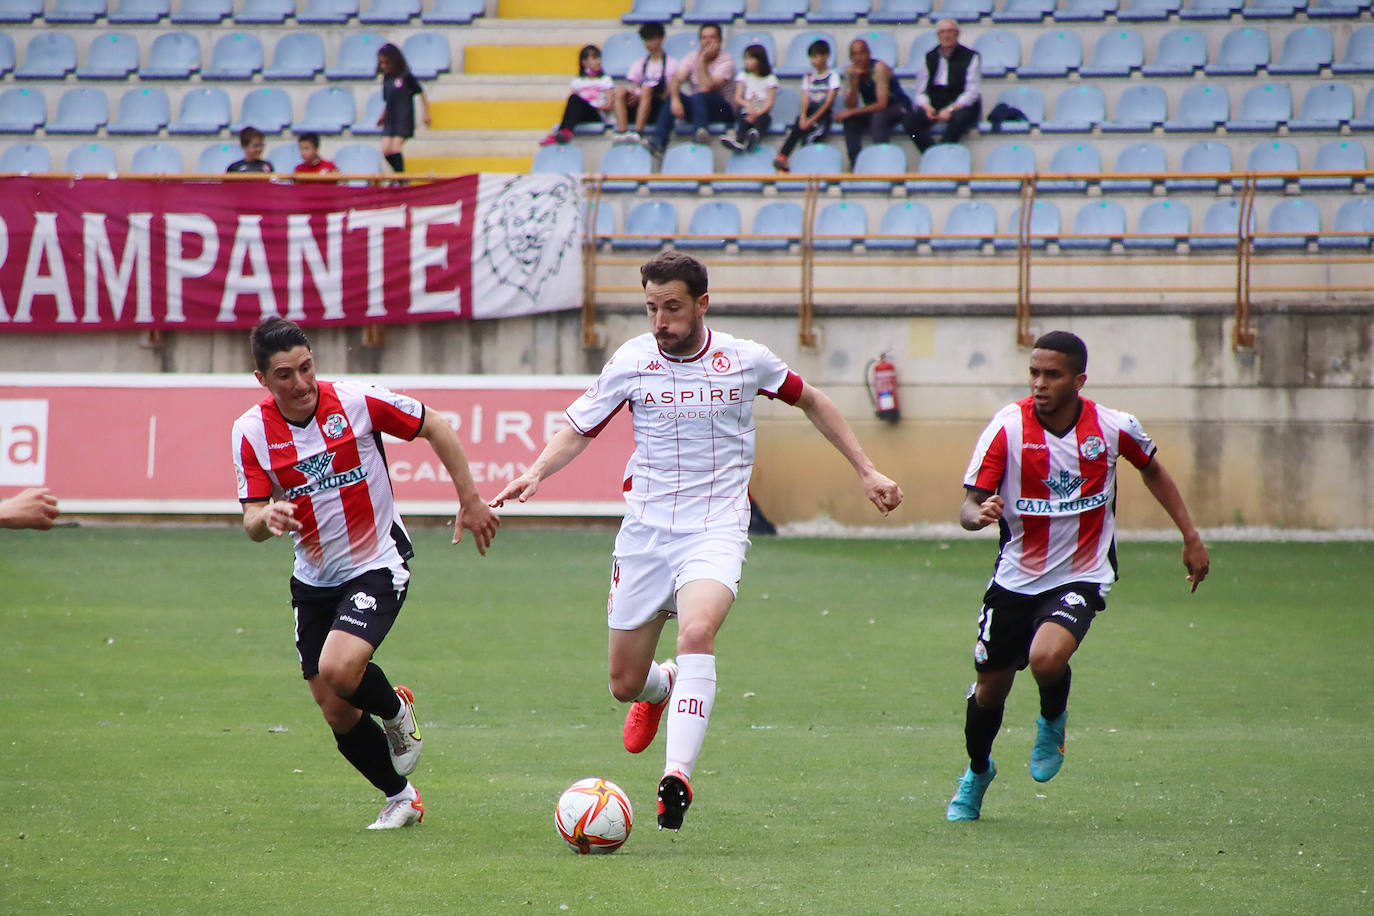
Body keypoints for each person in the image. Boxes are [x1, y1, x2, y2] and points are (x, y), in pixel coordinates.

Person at [490, 252, 904, 832]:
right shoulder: (632, 361)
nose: (660, 320)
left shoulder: (745, 359)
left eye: (673, 307)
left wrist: (866, 469)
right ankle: (661, 691)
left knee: (698, 630)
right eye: (652, 308)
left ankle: (676, 776)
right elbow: (578, 429)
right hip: (645, 534)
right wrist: (536, 471)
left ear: (702, 304)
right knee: (623, 683)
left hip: (715, 528)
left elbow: (812, 399)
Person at [231, 317, 499, 830]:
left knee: (339, 668)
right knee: (334, 706)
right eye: (285, 375)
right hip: (313, 579)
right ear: (262, 379)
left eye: (307, 367)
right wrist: (267, 518)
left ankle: (397, 710)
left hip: (377, 561)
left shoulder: (356, 401)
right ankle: (401, 798)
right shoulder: (250, 431)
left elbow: (435, 425)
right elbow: (250, 519)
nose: (302, 383)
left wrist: (470, 499)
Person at [947, 331, 1210, 822]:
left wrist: (1190, 535)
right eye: (1034, 373)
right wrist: (977, 514)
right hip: (1015, 579)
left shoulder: (1112, 427)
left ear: (1078, 380)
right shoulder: (1007, 427)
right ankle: (978, 771)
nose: (1040, 383)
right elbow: (967, 505)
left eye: (1052, 374)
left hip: (1081, 574)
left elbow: (1153, 469)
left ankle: (1051, 720)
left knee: (1046, 658)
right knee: (989, 692)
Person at [649, 22, 735, 155]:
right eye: (704, 38)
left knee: (699, 96)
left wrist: (702, 62)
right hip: (698, 108)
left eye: (712, 37)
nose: (708, 42)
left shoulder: (726, 61)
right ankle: (658, 142)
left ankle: (700, 133)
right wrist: (675, 100)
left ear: (720, 40)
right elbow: (676, 79)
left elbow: (706, 88)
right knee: (673, 96)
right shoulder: (691, 57)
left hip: (722, 109)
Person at [905, 19, 982, 153]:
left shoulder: (971, 56)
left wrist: (951, 109)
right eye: (942, 32)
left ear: (957, 34)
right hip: (935, 102)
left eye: (950, 32)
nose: (946, 36)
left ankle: (942, 153)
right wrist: (927, 107)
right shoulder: (929, 56)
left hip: (960, 104)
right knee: (909, 120)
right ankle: (931, 153)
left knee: (959, 119)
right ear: (938, 35)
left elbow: (972, 92)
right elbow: (920, 91)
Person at [836, 38, 911, 169]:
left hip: (898, 106)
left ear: (869, 53)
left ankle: (881, 161)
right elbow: (851, 105)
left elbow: (882, 104)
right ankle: (856, 165)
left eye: (862, 53)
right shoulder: (849, 72)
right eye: (854, 54)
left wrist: (850, 112)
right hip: (874, 108)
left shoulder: (879, 68)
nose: (858, 58)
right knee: (850, 120)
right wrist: (855, 81)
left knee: (879, 117)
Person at [773, 39, 841, 173]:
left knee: (809, 139)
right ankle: (783, 156)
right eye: (812, 57)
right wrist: (804, 117)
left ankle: (798, 166)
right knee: (797, 126)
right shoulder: (809, 77)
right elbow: (805, 99)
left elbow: (828, 102)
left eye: (816, 56)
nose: (813, 61)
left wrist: (811, 120)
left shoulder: (833, 76)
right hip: (810, 111)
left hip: (822, 115)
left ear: (826, 56)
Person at [612, 22, 678, 145]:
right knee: (620, 90)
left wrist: (644, 94)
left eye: (652, 39)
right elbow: (633, 87)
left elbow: (669, 93)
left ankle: (638, 131)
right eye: (646, 40)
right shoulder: (639, 64)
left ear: (661, 39)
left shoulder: (671, 64)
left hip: (658, 107)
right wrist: (634, 97)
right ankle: (622, 132)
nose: (649, 44)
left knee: (646, 89)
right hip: (640, 103)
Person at [542, 45, 614, 147]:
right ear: (584, 63)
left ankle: (563, 132)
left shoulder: (605, 80)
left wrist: (594, 107)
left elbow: (610, 105)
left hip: (596, 114)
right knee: (573, 99)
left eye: (599, 58)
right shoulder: (578, 81)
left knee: (575, 99)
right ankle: (563, 132)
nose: (598, 61)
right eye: (594, 58)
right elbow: (571, 105)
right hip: (582, 114)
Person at [376, 43, 429, 175]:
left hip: (403, 118)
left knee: (395, 148)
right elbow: (388, 100)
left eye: (386, 63)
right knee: (385, 149)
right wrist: (383, 116)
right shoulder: (386, 79)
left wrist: (426, 113)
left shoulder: (405, 76)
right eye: (381, 63)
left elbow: (421, 92)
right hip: (391, 119)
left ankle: (401, 178)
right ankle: (399, 175)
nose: (384, 66)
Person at [722, 43, 777, 153]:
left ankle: (754, 136)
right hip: (747, 111)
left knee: (764, 120)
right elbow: (738, 97)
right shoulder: (743, 76)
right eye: (745, 58)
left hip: (762, 112)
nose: (747, 61)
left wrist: (757, 113)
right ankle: (740, 142)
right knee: (743, 120)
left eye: (750, 58)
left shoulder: (770, 79)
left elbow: (770, 102)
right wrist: (747, 106)